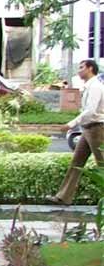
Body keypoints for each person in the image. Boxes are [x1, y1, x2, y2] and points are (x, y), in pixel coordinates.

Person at [49, 59, 104, 205]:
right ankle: (63, 196)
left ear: (90, 69)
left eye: (81, 67)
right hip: (87, 129)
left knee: (102, 164)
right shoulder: (88, 86)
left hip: (97, 128)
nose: (79, 70)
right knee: (76, 162)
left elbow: (90, 111)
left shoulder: (96, 87)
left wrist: (71, 124)